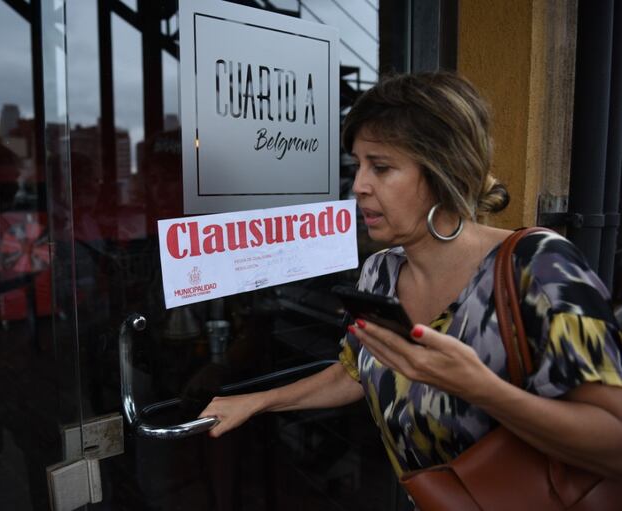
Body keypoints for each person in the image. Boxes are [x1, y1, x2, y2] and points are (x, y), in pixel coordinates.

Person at [199, 72, 622, 490]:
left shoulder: (540, 267)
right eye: (358, 166)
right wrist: (260, 401)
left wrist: (483, 390)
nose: (359, 186)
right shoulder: (379, 272)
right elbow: (357, 371)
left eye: (381, 168)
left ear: (444, 174)